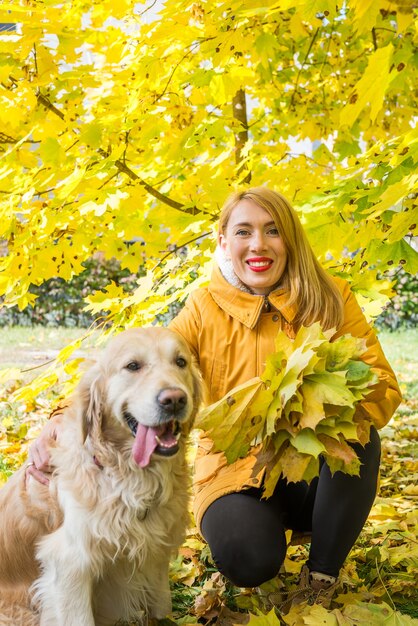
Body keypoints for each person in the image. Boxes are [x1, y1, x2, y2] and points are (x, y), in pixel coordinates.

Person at [28, 187, 401, 610]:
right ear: (224, 242)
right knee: (248, 558)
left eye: (273, 230)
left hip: (314, 472)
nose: (258, 244)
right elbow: (143, 367)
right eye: (243, 231)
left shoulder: (331, 297)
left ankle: (322, 574)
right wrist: (62, 417)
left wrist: (321, 401)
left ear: (290, 239)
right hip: (234, 472)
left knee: (361, 439)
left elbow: (384, 388)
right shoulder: (204, 307)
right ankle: (259, 538)